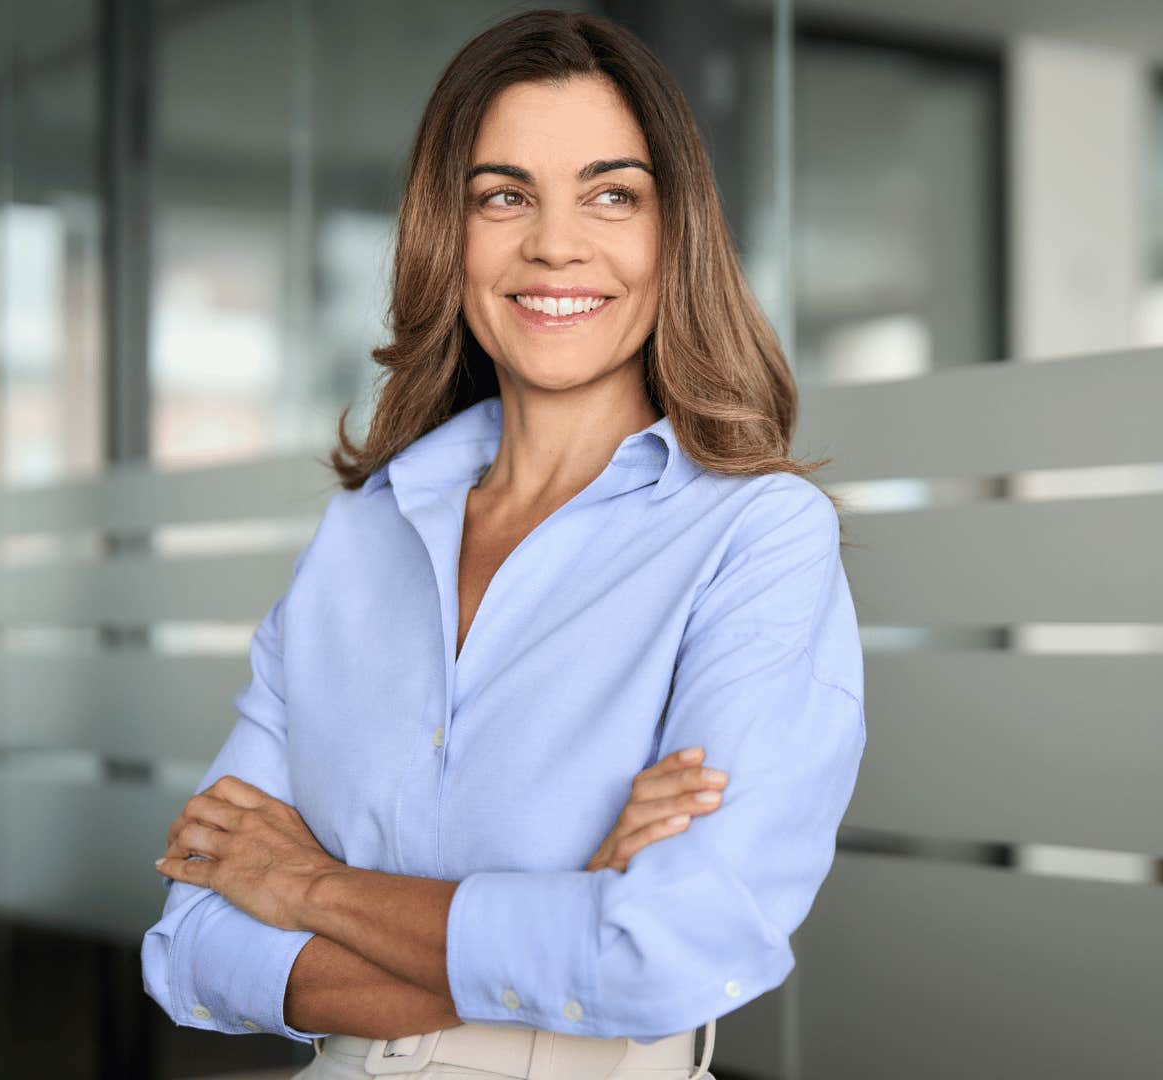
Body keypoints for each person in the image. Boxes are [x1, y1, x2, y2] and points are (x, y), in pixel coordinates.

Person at [138, 10, 867, 1080]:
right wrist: (567, 913)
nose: (555, 243)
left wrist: (308, 890)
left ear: (677, 233)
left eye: (611, 194)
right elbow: (193, 943)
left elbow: (665, 953)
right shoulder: (362, 535)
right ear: (452, 232)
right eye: (504, 195)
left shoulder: (754, 538)